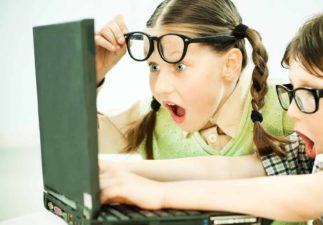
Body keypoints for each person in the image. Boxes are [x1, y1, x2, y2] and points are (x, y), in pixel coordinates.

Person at [99, 4, 323, 224]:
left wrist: (161, 196)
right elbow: (226, 170)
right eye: (294, 93)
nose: (293, 111)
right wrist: (123, 174)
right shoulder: (319, 148)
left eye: (310, 95)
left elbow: (308, 196)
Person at [96, 0, 298, 224]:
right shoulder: (153, 114)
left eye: (179, 66)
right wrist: (90, 74)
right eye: (154, 67)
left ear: (230, 65)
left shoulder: (291, 105)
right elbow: (69, 141)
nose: (160, 88)